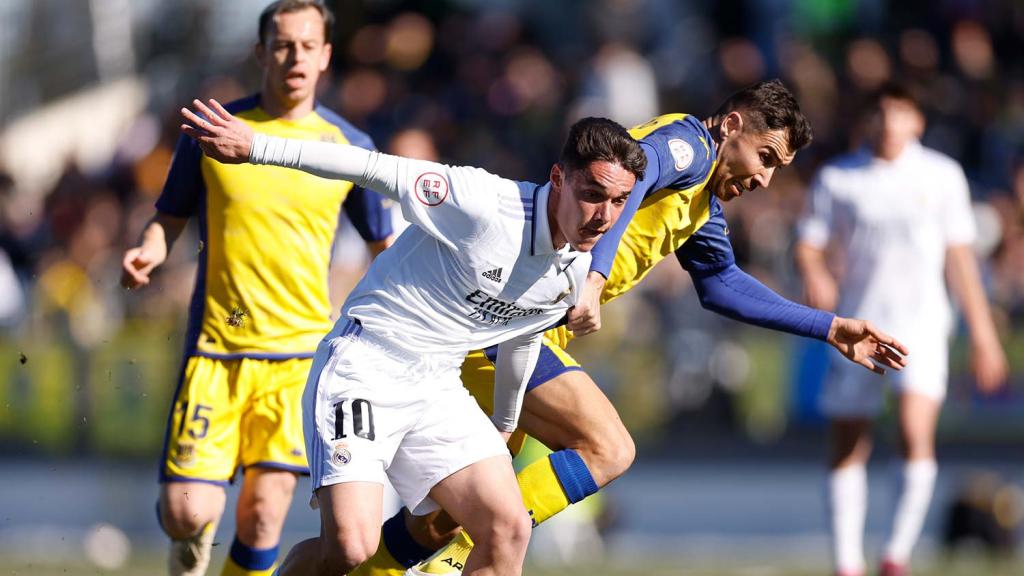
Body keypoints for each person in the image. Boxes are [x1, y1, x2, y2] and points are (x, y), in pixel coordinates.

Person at [348, 80, 911, 576]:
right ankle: (453, 566)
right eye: (764, 157)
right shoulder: (688, 144)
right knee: (607, 448)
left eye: (776, 170)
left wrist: (830, 326)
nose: (764, 178)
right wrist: (592, 279)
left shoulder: (700, 207)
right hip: (512, 319)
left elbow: (722, 285)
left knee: (445, 519)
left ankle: (371, 570)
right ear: (732, 125)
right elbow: (633, 176)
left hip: (516, 325)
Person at [180, 96, 649, 576]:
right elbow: (369, 167)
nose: (604, 216)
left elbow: (521, 335)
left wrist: (505, 423)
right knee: (350, 548)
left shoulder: (575, 270)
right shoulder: (483, 203)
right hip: (364, 366)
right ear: (558, 179)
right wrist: (255, 146)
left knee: (508, 527)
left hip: (437, 386)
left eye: (618, 201)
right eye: (593, 193)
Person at [120, 3, 394, 575]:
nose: (295, 56)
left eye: (307, 45)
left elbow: (384, 249)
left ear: (325, 56)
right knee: (185, 513)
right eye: (283, 44)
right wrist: (151, 248)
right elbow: (168, 216)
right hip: (216, 354)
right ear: (261, 52)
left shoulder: (350, 144)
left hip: (298, 360)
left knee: (265, 513)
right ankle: (187, 544)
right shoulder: (214, 132)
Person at [794, 82, 1008, 576]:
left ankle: (896, 556)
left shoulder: (941, 176)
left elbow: (960, 259)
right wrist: (815, 272)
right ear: (867, 119)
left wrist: (983, 334)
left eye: (900, 113)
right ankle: (847, 561)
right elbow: (809, 243)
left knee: (915, 431)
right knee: (849, 441)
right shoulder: (840, 178)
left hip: (922, 325)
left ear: (918, 121)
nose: (889, 122)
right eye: (881, 112)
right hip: (856, 327)